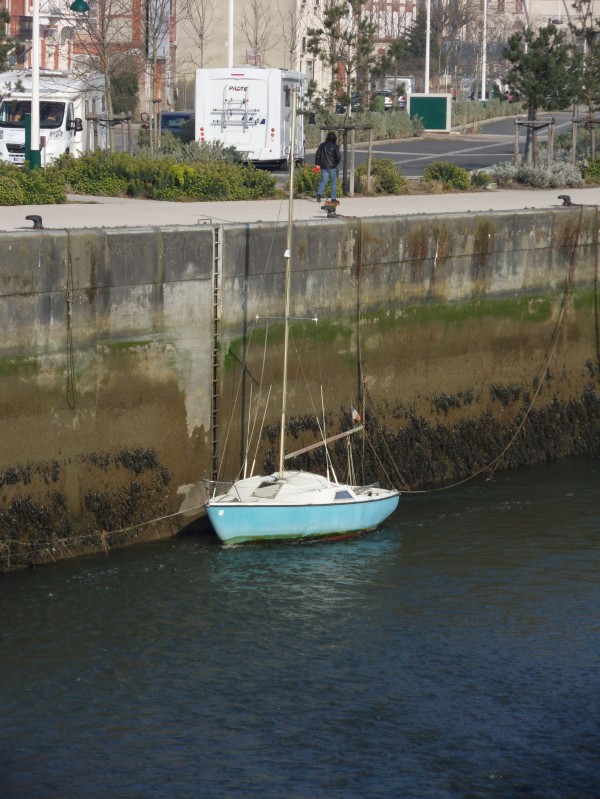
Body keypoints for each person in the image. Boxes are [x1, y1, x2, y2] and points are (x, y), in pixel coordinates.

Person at [314, 131, 341, 202]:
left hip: (323, 166)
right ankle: (333, 198)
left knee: (323, 181)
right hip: (332, 167)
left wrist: (317, 164)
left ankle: (319, 195)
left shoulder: (322, 145)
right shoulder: (335, 146)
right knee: (333, 182)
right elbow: (338, 157)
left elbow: (318, 155)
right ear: (335, 138)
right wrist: (336, 163)